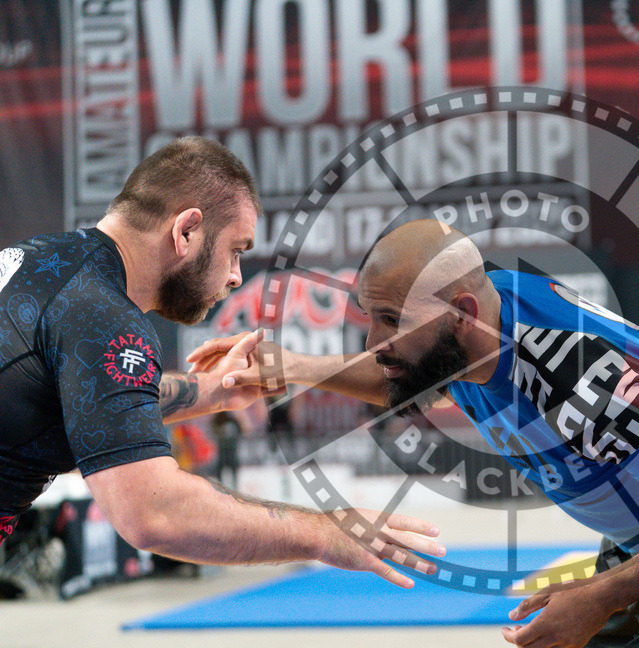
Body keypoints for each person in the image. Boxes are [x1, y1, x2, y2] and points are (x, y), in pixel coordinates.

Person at [192, 219, 639, 648]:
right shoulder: (473, 323)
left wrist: (598, 595)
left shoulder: (582, 380)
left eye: (386, 320)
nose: (373, 340)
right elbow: (404, 371)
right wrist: (292, 367)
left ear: (461, 314)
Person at [0, 139, 444, 606]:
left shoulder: (44, 261)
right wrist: (326, 532)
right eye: (235, 251)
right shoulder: (103, 316)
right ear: (187, 231)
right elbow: (153, 514)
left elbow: (81, 398)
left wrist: (209, 392)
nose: (235, 276)